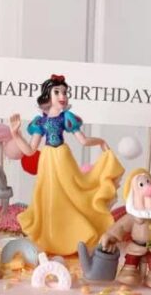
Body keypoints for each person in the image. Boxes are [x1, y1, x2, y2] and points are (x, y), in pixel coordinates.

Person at [9, 74, 124, 256]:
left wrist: (100, 141)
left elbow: (83, 140)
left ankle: (78, 231)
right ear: (48, 96)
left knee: (73, 192)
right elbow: (30, 150)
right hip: (47, 161)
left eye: (64, 92)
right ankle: (51, 239)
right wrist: (16, 135)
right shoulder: (40, 121)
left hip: (63, 159)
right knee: (49, 198)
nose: (62, 96)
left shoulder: (66, 117)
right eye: (57, 92)